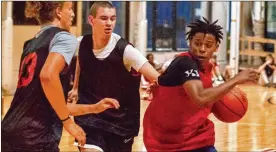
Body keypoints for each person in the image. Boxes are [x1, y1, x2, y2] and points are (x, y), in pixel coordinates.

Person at [1, 2, 119, 152]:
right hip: (36, 138)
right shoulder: (64, 37)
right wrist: (68, 122)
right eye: (69, 9)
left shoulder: (30, 44)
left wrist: (94, 108)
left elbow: (51, 105)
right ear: (58, 12)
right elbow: (48, 76)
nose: (73, 14)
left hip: (8, 131)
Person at [143, 18, 259, 151]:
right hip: (165, 140)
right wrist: (235, 79)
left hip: (196, 136)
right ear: (190, 43)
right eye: (197, 43)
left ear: (216, 47)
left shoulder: (207, 67)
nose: (202, 49)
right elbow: (200, 98)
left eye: (208, 45)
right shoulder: (185, 62)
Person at [67, 2, 160, 152]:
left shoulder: (126, 50)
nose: (109, 23)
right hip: (90, 120)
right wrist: (76, 87)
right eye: (104, 18)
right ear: (91, 20)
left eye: (112, 18)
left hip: (121, 122)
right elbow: (81, 61)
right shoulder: (81, 43)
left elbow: (157, 77)